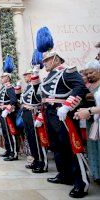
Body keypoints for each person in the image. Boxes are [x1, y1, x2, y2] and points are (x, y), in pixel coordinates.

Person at [38, 50, 89, 198]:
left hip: (62, 113)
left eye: (47, 60)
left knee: (72, 147)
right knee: (57, 146)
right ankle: (64, 174)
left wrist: (68, 105)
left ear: (56, 59)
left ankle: (81, 183)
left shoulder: (67, 72)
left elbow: (80, 86)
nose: (45, 63)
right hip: (50, 113)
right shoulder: (48, 77)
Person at [74, 61, 100, 185]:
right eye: (87, 73)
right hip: (91, 121)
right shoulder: (87, 87)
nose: (89, 75)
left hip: (97, 119)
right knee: (92, 147)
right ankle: (96, 174)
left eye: (92, 72)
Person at [20, 68, 48, 173]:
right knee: (31, 139)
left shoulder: (37, 85)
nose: (25, 77)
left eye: (26, 74)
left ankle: (42, 163)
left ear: (32, 74)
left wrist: (40, 115)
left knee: (37, 139)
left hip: (34, 113)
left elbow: (42, 100)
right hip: (27, 114)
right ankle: (36, 160)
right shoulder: (27, 87)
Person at [0, 72, 18, 161]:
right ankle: (8, 150)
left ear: (8, 77)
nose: (1, 78)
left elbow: (13, 100)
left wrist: (7, 110)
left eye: (3, 77)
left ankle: (13, 153)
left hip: (7, 113)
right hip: (1, 112)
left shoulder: (9, 87)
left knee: (10, 133)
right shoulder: (3, 88)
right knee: (5, 132)